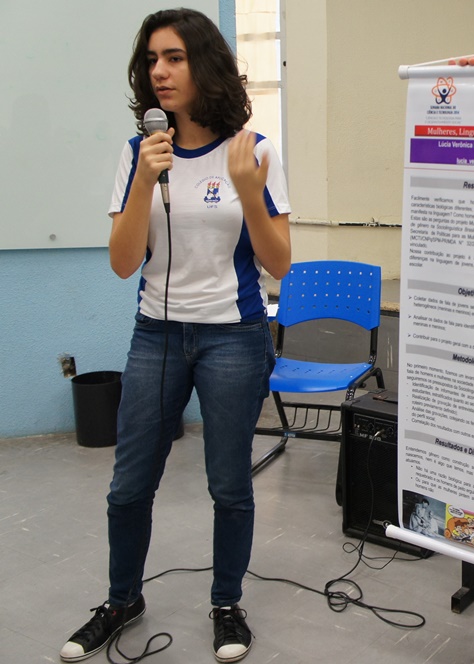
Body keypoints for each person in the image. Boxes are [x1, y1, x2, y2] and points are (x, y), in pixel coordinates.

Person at [60, 9, 290, 663]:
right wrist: (143, 180)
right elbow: (123, 263)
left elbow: (279, 264)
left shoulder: (254, 151)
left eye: (175, 58)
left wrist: (248, 192)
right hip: (156, 335)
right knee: (129, 484)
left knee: (229, 485)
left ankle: (226, 604)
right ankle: (121, 600)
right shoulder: (139, 152)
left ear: (205, 63)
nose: (159, 71)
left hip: (234, 336)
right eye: (152, 59)